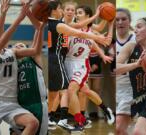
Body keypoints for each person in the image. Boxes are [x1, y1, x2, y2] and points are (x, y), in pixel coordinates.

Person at [47, 0, 111, 131]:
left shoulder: (84, 27)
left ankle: (74, 120)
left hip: (80, 64)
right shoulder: (65, 25)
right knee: (80, 92)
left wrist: (108, 19)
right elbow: (87, 34)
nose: (72, 13)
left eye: (76, 11)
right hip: (64, 61)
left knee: (70, 91)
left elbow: (93, 36)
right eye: (70, 10)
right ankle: (100, 112)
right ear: (62, 11)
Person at [65, 5, 115, 132]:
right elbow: (92, 38)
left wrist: (110, 21)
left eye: (79, 12)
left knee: (72, 90)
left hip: (81, 64)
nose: (76, 14)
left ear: (87, 15)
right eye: (76, 12)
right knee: (86, 91)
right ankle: (106, 109)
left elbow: (103, 40)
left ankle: (80, 122)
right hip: (67, 62)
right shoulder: (71, 24)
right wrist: (99, 16)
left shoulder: (91, 30)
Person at [0, 3, 39, 135]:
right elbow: (3, 38)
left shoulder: (10, 52)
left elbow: (0, 35)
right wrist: (20, 18)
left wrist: (3, 13)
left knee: (33, 123)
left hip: (11, 102)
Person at [115, 8, 136, 135]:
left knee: (119, 128)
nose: (120, 22)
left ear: (130, 21)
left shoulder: (136, 40)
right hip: (115, 89)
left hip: (130, 89)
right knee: (125, 130)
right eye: (117, 19)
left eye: (124, 19)